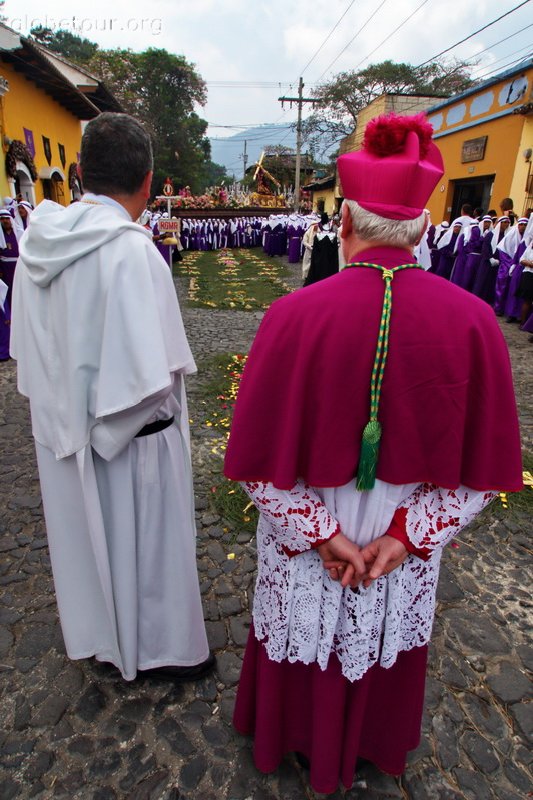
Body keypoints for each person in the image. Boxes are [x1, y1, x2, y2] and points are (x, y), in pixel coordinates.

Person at [223, 113, 522, 795]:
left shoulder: (290, 316)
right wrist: (402, 536)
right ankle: (368, 744)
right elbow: (479, 477)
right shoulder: (476, 322)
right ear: (421, 230)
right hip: (399, 540)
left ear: (346, 223)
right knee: (376, 637)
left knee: (304, 631)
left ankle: (291, 737)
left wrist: (322, 534)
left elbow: (256, 467)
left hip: (314, 531)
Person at [10, 112, 214, 683]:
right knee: (144, 549)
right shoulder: (135, 253)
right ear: (149, 183)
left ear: (79, 173)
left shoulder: (38, 246)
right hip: (131, 446)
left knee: (86, 542)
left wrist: (74, 421)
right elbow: (151, 382)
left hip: (65, 434)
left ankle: (104, 639)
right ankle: (160, 649)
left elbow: (30, 347)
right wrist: (107, 432)